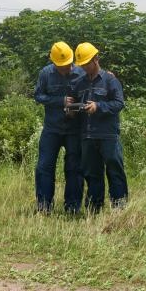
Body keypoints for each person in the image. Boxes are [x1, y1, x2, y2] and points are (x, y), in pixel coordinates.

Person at [33, 41, 85, 214]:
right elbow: (38, 96)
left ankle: (72, 208)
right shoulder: (45, 74)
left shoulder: (81, 73)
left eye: (69, 64)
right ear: (54, 63)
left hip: (74, 130)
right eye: (62, 66)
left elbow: (89, 94)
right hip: (52, 129)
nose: (66, 69)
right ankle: (44, 207)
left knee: (74, 168)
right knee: (44, 167)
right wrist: (59, 101)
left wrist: (74, 108)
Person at [75, 42, 128, 211]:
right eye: (81, 65)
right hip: (87, 136)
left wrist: (99, 107)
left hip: (108, 135)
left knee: (114, 170)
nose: (84, 67)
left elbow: (119, 103)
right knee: (92, 174)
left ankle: (119, 208)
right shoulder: (79, 83)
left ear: (96, 59)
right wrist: (71, 109)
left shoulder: (110, 80)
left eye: (86, 64)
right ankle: (94, 208)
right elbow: (75, 103)